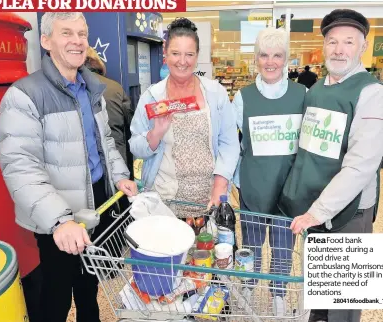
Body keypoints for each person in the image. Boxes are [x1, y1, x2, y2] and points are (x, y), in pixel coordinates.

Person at [0, 12, 138, 322]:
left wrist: (120, 176)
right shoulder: (24, 95)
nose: (77, 41)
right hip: (57, 220)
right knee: (56, 298)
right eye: (66, 33)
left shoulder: (92, 89)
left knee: (89, 285)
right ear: (46, 41)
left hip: (94, 206)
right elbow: (20, 166)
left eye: (81, 34)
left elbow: (106, 145)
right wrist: (59, 221)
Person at [278, 9, 383, 322]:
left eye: (349, 42)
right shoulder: (318, 90)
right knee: (322, 294)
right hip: (317, 207)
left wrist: (317, 211)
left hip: (349, 212)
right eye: (333, 41)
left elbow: (361, 165)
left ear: (363, 47)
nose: (339, 49)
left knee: (344, 304)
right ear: (323, 46)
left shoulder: (371, 93)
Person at [129, 17, 239, 217]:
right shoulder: (152, 96)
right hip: (164, 204)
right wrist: (155, 134)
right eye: (175, 53)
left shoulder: (215, 94)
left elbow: (229, 144)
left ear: (197, 56)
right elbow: (135, 146)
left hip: (209, 203)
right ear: (165, 54)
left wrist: (220, 186)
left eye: (189, 54)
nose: (182, 61)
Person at [232, 27, 306, 316]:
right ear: (256, 58)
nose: (271, 61)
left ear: (286, 58)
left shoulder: (303, 95)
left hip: (288, 188)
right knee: (250, 242)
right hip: (253, 184)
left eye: (277, 55)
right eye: (264, 55)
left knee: (284, 246)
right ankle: (249, 288)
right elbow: (233, 143)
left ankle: (278, 293)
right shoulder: (242, 97)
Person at [85, 46, 135, 212]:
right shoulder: (115, 87)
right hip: (117, 158)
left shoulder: (75, 87)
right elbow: (131, 126)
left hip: (89, 170)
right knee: (116, 211)